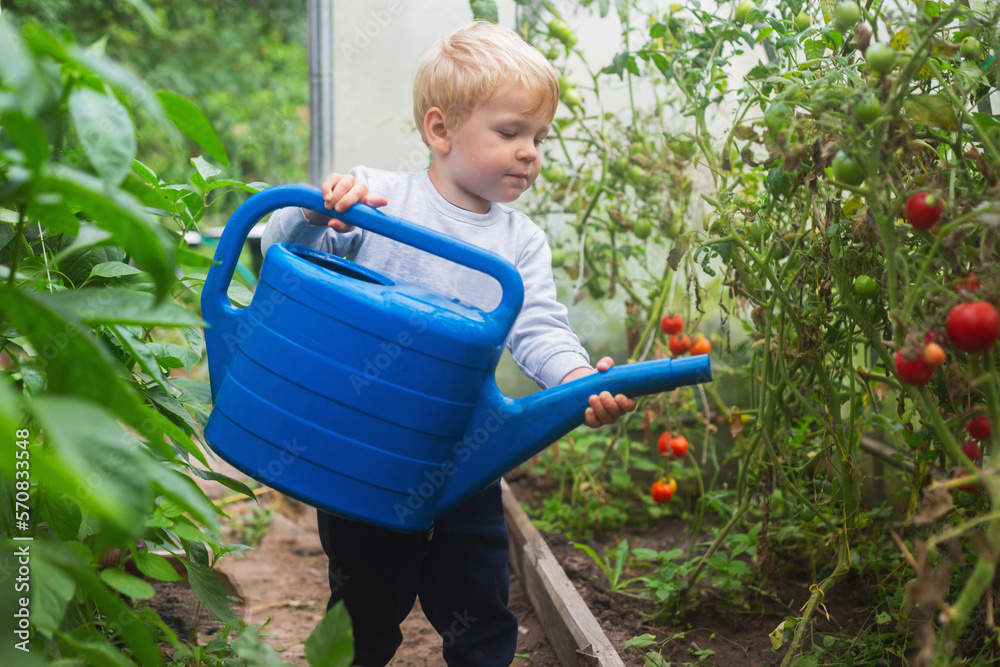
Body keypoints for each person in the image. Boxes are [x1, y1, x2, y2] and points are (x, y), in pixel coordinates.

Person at [260, 20, 636, 667]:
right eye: (511, 132)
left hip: (466, 456)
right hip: (364, 453)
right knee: (364, 609)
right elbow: (280, 250)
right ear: (441, 130)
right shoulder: (376, 201)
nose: (530, 152)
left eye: (539, 137)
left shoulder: (519, 241)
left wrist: (577, 379)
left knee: (480, 604)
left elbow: (538, 326)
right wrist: (319, 214)